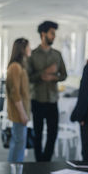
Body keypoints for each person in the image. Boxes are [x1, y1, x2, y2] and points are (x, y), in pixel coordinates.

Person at [27, 21, 67, 162]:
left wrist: (53, 77)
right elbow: (28, 77)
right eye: (52, 34)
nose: (54, 37)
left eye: (54, 34)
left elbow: (64, 75)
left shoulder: (57, 54)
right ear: (43, 34)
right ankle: (39, 161)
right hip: (37, 99)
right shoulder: (32, 54)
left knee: (53, 133)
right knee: (38, 134)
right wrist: (43, 74)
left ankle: (46, 160)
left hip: (52, 99)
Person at [6, 38, 31, 162]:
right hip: (18, 112)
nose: (29, 49)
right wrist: (22, 114)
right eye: (28, 47)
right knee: (18, 143)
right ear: (22, 49)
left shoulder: (20, 66)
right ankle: (14, 170)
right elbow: (15, 93)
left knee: (19, 141)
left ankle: (15, 168)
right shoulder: (15, 67)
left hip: (22, 110)